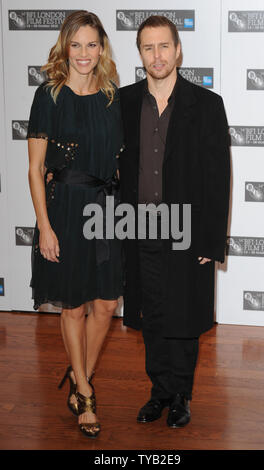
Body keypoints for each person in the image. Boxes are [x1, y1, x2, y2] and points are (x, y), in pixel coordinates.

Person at [118, 15, 230, 428]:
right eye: (148, 48)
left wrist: (210, 241)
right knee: (152, 315)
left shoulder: (207, 104)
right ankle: (159, 391)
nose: (157, 55)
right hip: (139, 226)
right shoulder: (126, 102)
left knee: (183, 317)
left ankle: (181, 394)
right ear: (141, 54)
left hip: (187, 227)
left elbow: (218, 177)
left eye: (164, 46)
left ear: (178, 50)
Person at [27, 10, 124, 438]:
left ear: (101, 48)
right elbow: (35, 170)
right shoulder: (48, 95)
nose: (84, 53)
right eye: (76, 44)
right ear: (65, 47)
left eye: (91, 44)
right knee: (73, 305)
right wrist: (44, 228)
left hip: (106, 209)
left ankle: (78, 367)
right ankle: (84, 390)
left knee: (105, 303)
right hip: (65, 209)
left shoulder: (112, 96)